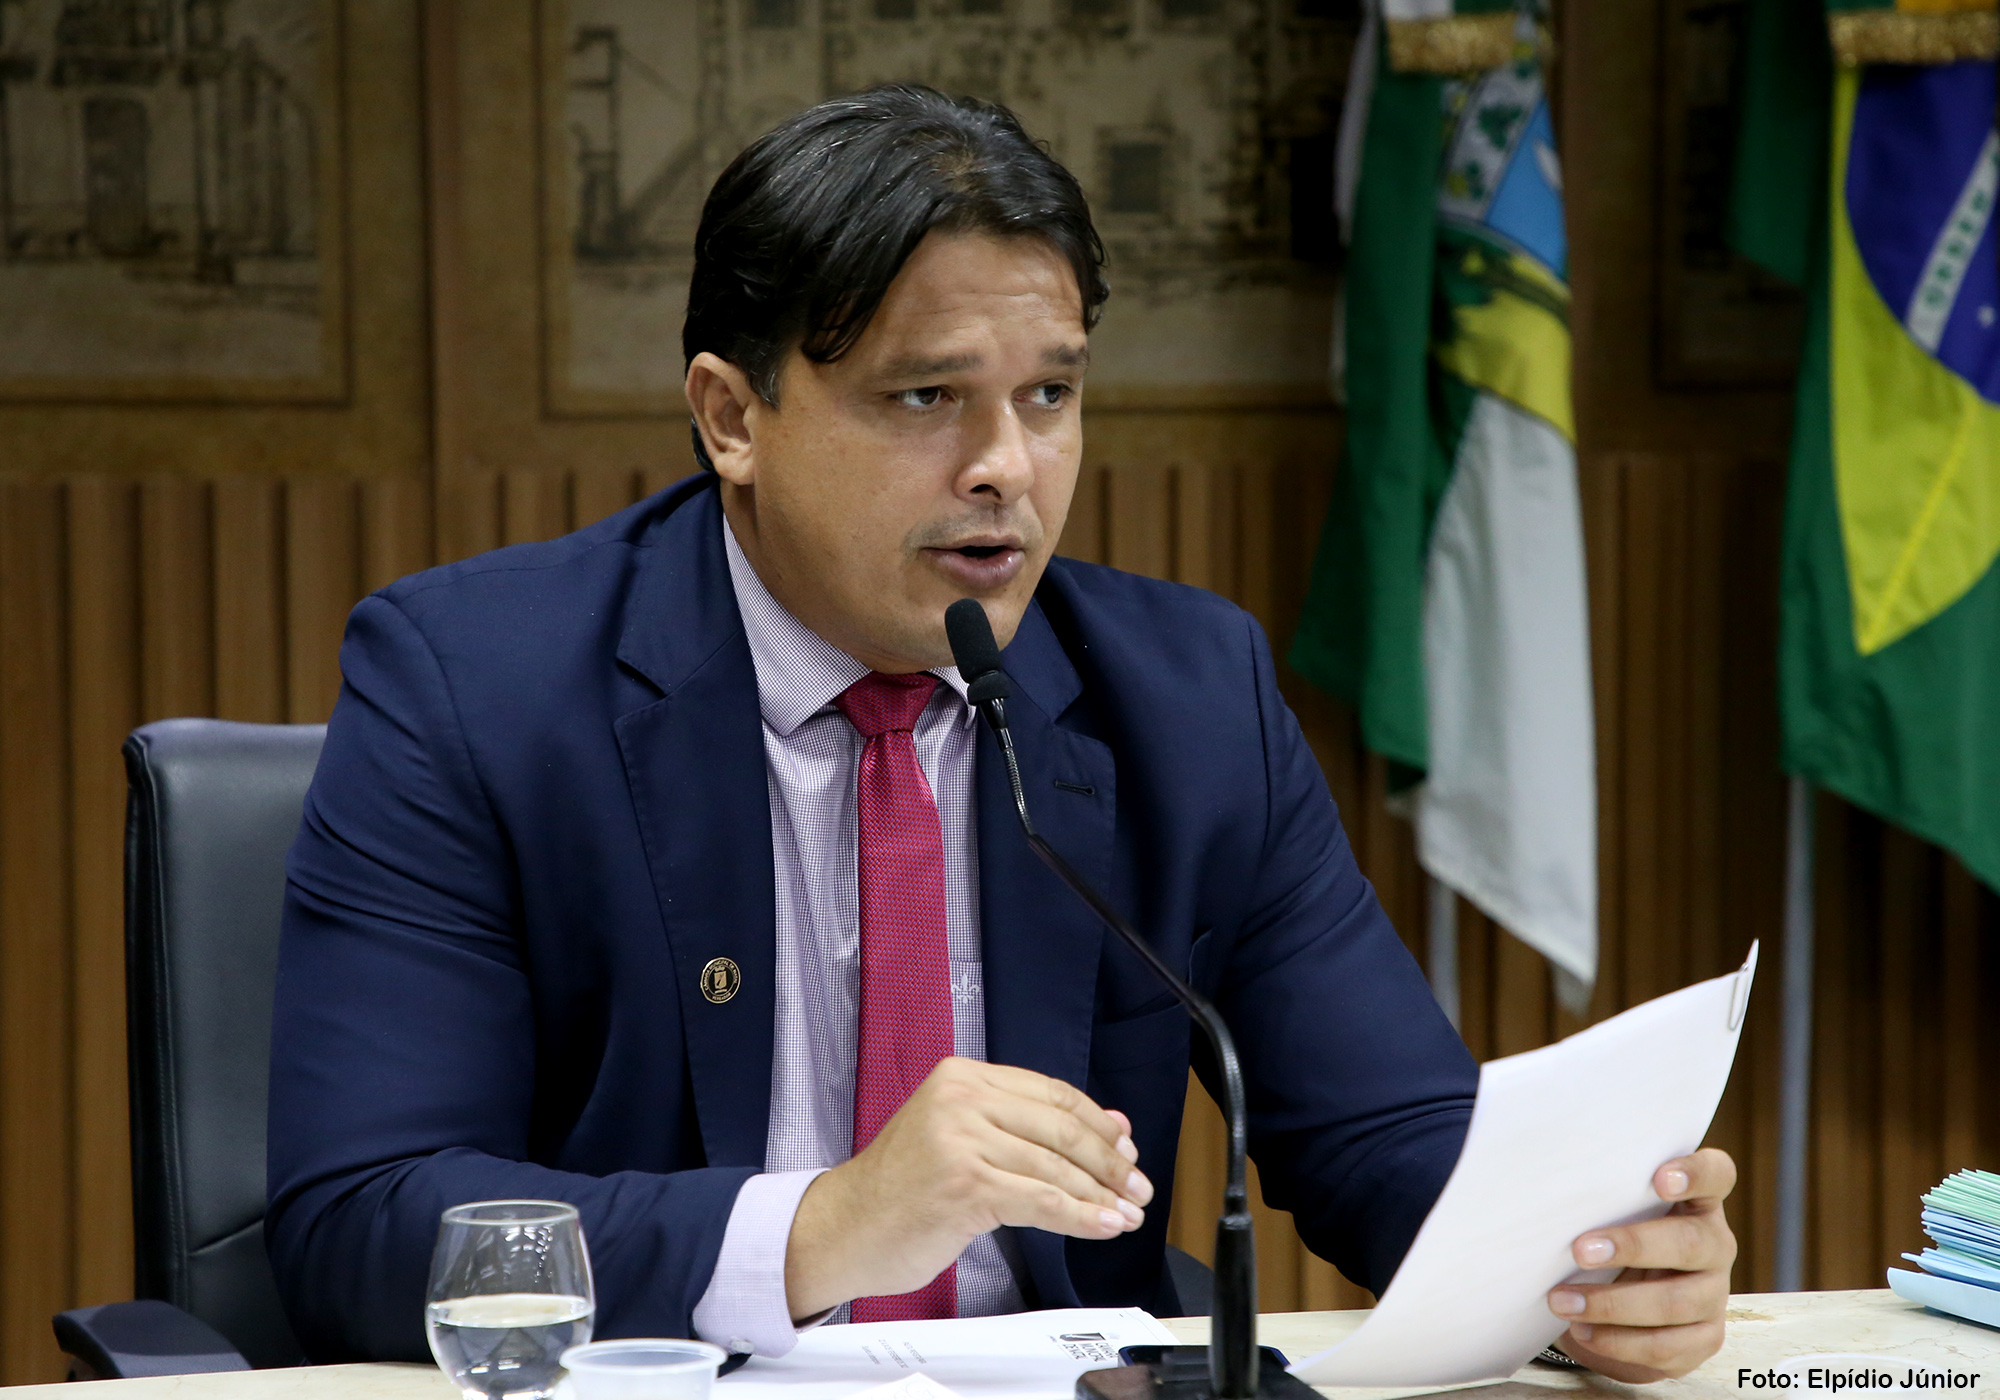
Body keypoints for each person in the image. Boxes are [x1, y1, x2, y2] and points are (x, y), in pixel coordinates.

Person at [267, 85, 1736, 1383]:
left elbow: (1380, 1137)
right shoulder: (478, 689)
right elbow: (362, 1219)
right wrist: (826, 1224)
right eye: (927, 397)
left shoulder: (1186, 698)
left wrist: (1582, 1265)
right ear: (732, 418)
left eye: (1050, 394)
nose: (1008, 469)